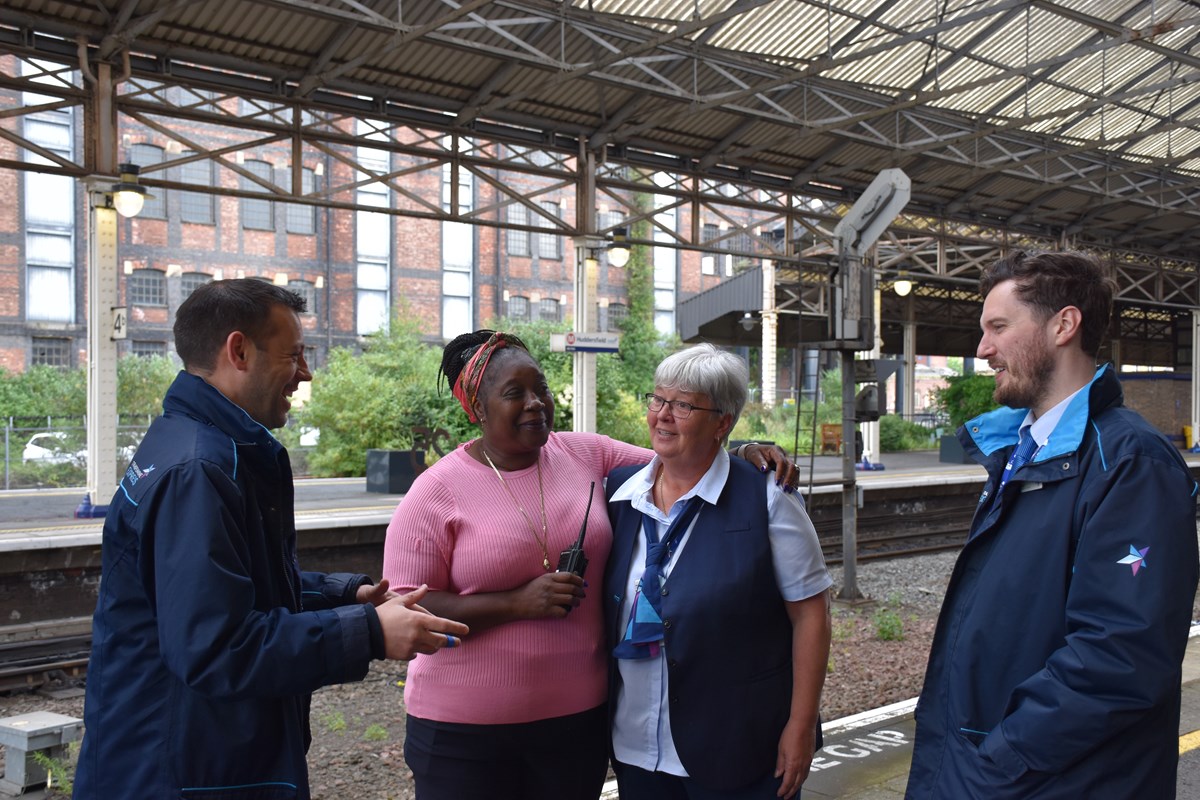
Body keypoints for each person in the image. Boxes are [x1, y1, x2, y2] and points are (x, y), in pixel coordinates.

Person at [74, 279, 468, 800]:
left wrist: (345, 595)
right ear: (238, 350)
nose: (305, 374)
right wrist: (369, 632)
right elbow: (217, 646)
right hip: (183, 773)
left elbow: (226, 585)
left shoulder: (187, 442)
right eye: (295, 356)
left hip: (179, 756)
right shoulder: (201, 469)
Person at [383, 330, 798, 800]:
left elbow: (684, 456)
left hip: (576, 726)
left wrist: (744, 448)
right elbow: (406, 609)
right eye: (514, 393)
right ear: (476, 408)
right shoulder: (434, 492)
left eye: (540, 388)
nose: (536, 403)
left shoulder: (585, 454)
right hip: (464, 733)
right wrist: (514, 604)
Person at [905, 251, 1199, 798]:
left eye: (998, 327)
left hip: (1041, 780)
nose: (982, 349)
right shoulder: (1024, 450)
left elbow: (1119, 658)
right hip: (988, 767)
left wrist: (995, 764)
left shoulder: (1130, 462)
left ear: (1064, 325)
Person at [603, 343, 832, 800]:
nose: (663, 415)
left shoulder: (766, 497)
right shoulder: (619, 493)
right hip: (636, 747)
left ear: (722, 422)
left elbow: (812, 615)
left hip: (741, 747)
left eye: (684, 405)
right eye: (658, 399)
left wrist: (800, 726)